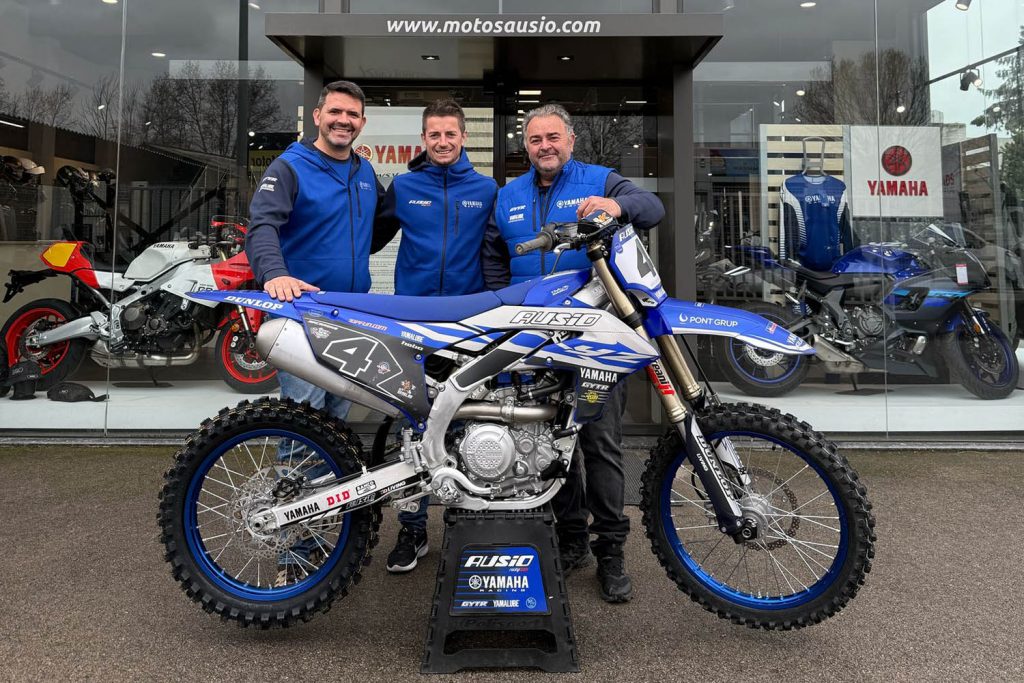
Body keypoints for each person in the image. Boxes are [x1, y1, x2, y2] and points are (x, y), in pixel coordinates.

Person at [481, 103, 665, 603]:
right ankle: (571, 539)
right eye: (535, 139)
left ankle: (611, 552)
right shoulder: (508, 195)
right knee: (548, 445)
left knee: (600, 444)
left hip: (594, 338)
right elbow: (493, 256)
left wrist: (616, 208)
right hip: (534, 341)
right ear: (526, 146)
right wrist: (503, 307)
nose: (545, 146)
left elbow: (652, 208)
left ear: (571, 140)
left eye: (553, 137)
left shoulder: (600, 181)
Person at [246, 79, 390, 586]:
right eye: (335, 112)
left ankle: (323, 537)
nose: (343, 121)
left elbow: (373, 232)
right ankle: (293, 553)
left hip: (348, 317)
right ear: (317, 116)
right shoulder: (291, 167)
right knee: (302, 434)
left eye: (352, 115)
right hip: (301, 316)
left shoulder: (364, 171)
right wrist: (274, 274)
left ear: (362, 123)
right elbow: (261, 226)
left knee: (336, 431)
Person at [372, 98, 498, 573]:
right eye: (434, 135)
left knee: (469, 422)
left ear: (463, 137)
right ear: (423, 139)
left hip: (469, 325)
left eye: (450, 134)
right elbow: (366, 239)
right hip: (414, 324)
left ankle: (467, 525)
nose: (442, 142)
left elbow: (500, 252)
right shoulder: (404, 187)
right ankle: (412, 529)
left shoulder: (487, 189)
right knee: (413, 428)